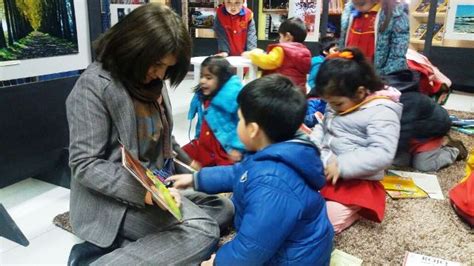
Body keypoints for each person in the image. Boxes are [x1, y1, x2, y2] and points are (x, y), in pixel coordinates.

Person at [65, 4, 233, 265]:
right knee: (203, 230)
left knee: (222, 208)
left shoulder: (152, 83)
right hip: (116, 201)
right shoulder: (93, 88)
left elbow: (165, 138)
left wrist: (189, 165)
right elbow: (84, 164)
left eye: (168, 67)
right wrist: (145, 193)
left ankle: (128, 246)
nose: (160, 74)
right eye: (156, 64)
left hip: (160, 185)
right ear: (133, 47)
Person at [170, 74, 334, 265]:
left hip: (294, 259)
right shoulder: (276, 150)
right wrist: (195, 180)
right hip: (289, 244)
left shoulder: (273, 184)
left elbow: (252, 248)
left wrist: (218, 262)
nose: (236, 125)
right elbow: (238, 174)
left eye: (239, 120)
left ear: (253, 130)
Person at [310, 48, 403, 233]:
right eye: (329, 103)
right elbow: (323, 126)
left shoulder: (382, 111)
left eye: (337, 103)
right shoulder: (337, 103)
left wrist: (343, 165)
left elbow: (382, 153)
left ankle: (355, 210)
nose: (333, 108)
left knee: (325, 222)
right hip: (326, 169)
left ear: (360, 92)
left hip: (357, 180)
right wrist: (311, 144)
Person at [182, 56, 245, 168]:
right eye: (201, 76)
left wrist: (237, 147)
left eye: (208, 77)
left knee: (222, 173)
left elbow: (243, 125)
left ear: (222, 79)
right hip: (205, 144)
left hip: (224, 149)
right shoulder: (205, 96)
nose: (202, 81)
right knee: (180, 155)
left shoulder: (232, 99)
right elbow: (202, 124)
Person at [243, 17, 312, 94]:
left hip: (281, 91)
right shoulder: (305, 52)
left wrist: (252, 54)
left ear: (288, 37)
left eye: (280, 36)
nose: (279, 40)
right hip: (298, 93)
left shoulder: (282, 49)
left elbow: (268, 61)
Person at [339, 0, 409, 75]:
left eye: (362, 6)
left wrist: (383, 79)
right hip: (349, 74)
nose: (359, 9)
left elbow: (397, 56)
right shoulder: (349, 10)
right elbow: (344, 39)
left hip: (377, 77)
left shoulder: (396, 15)